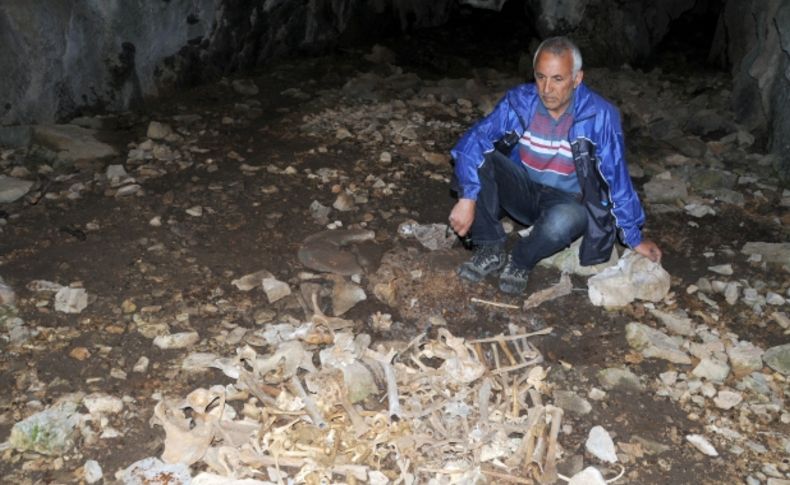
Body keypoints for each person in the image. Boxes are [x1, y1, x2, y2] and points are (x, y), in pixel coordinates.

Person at [448, 36, 661, 295]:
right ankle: (490, 248)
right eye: (540, 77)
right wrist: (468, 197)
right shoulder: (520, 102)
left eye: (558, 79)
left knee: (563, 221)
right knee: (480, 157)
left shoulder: (600, 115)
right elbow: (474, 140)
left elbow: (616, 177)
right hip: (523, 188)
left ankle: (521, 261)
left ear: (576, 78)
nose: (546, 89)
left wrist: (634, 236)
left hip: (567, 201)